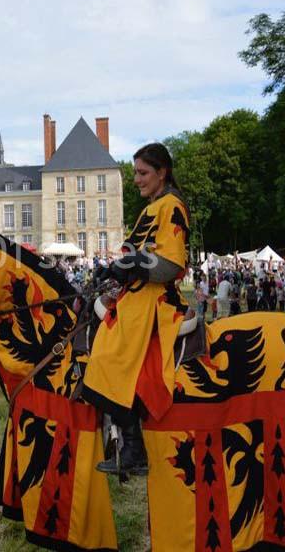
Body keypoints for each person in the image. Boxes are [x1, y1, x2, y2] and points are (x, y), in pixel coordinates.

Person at [84, 143, 190, 476]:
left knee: (105, 357)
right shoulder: (153, 207)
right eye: (135, 174)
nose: (137, 180)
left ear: (162, 172)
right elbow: (137, 254)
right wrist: (113, 269)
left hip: (154, 300)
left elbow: (170, 265)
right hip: (138, 294)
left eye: (143, 173)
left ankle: (134, 448)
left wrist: (126, 266)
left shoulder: (171, 206)